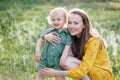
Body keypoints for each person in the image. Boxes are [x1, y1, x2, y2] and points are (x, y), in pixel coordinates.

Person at [40, 8, 114, 80]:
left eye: (76, 23)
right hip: (87, 70)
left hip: (100, 75)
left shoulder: (94, 41)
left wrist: (57, 73)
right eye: (69, 23)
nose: (72, 26)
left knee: (67, 61)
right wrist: (46, 36)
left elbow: (82, 71)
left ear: (84, 25)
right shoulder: (70, 36)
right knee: (64, 57)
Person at [35, 7, 72, 80]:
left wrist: (63, 59)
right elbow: (40, 41)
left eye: (58, 19)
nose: (56, 22)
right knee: (40, 75)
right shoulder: (48, 32)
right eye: (53, 20)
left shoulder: (67, 34)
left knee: (59, 77)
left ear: (65, 20)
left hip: (58, 61)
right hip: (45, 59)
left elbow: (67, 47)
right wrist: (37, 52)